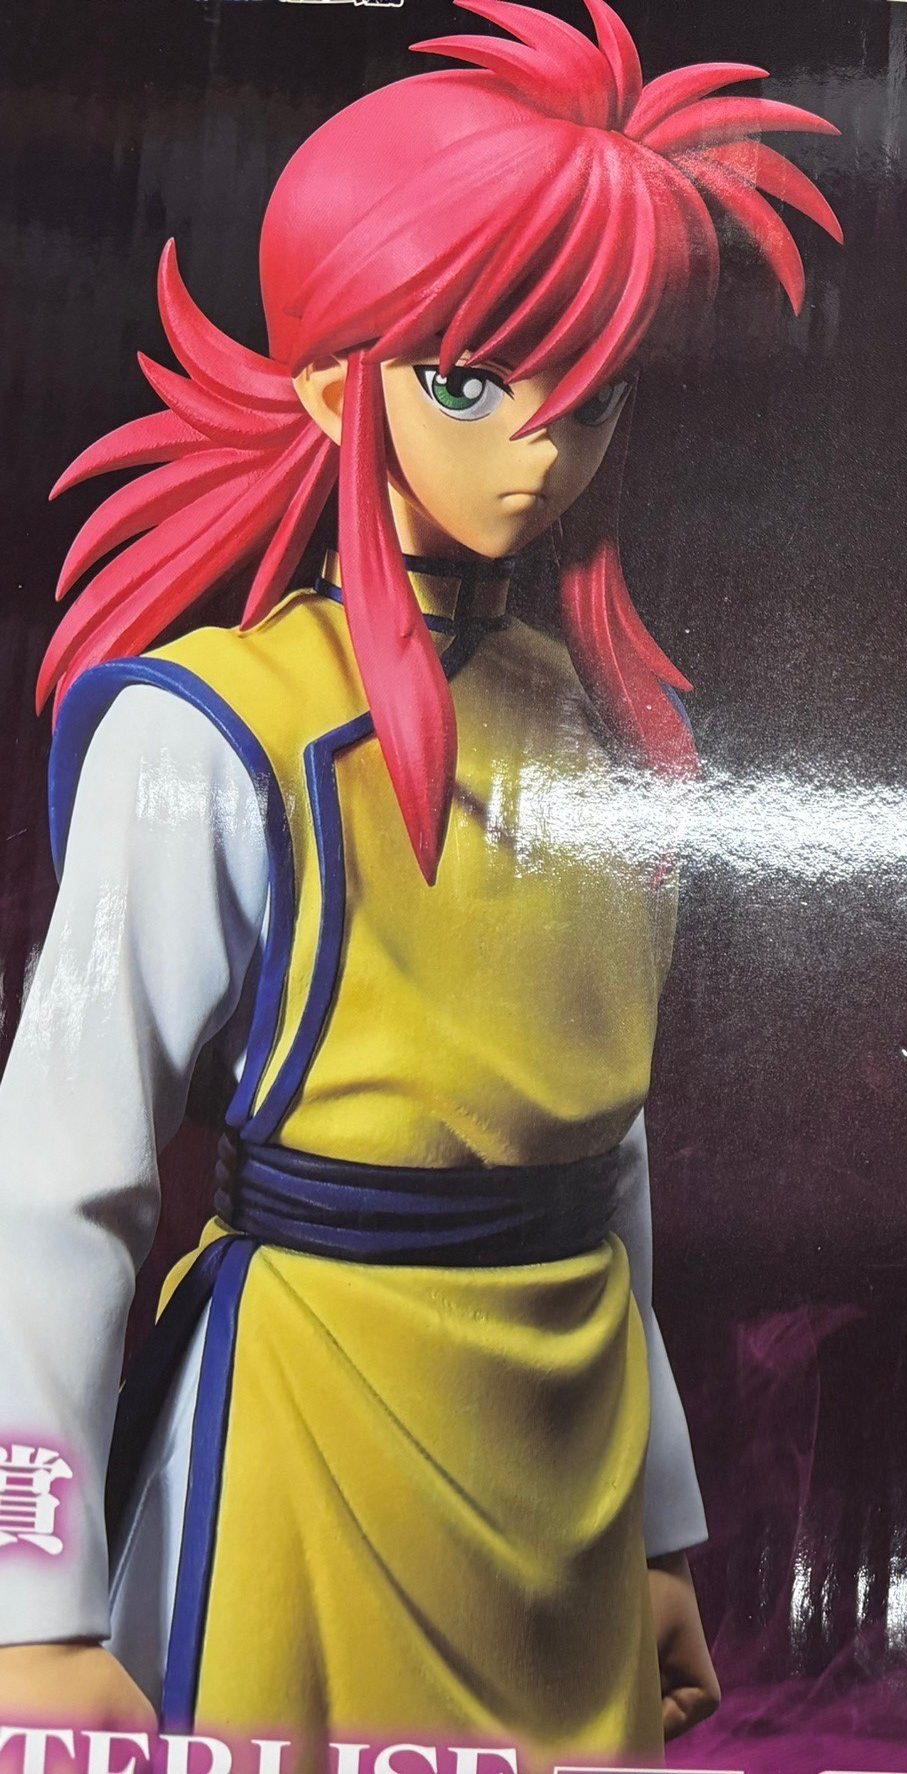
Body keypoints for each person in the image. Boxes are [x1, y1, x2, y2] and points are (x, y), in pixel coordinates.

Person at [0, 1, 842, 1760]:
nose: (541, 438)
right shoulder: (216, 732)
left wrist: (659, 1531)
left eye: (587, 389)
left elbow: (605, 1158)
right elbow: (57, 1180)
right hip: (318, 1422)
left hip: (564, 1448)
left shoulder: (608, 734)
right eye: (471, 378)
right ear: (335, 383)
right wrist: (34, 1606)